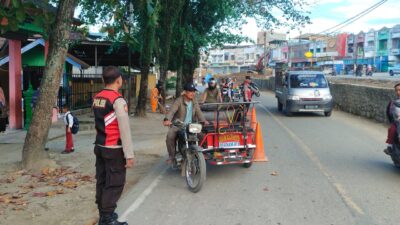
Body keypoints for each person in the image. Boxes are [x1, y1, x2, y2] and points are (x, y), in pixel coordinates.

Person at [92, 66, 134, 225]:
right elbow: (124, 130)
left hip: (100, 146)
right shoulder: (117, 100)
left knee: (102, 180)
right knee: (115, 182)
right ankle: (107, 219)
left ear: (104, 80)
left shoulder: (97, 97)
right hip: (114, 149)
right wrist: (129, 155)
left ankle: (104, 214)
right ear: (119, 80)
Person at [163, 83, 209, 164]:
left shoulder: (194, 101)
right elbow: (172, 111)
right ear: (185, 92)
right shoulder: (179, 100)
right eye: (190, 91)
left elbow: (199, 112)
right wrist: (167, 119)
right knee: (170, 136)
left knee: (204, 137)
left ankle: (201, 153)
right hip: (179, 125)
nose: (192, 93)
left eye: (194, 91)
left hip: (191, 125)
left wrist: (204, 120)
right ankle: (172, 156)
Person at [384, 83, 400, 155]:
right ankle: (389, 147)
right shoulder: (393, 102)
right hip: (397, 122)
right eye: (396, 90)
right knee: (392, 129)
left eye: (399, 90)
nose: (398, 92)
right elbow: (388, 112)